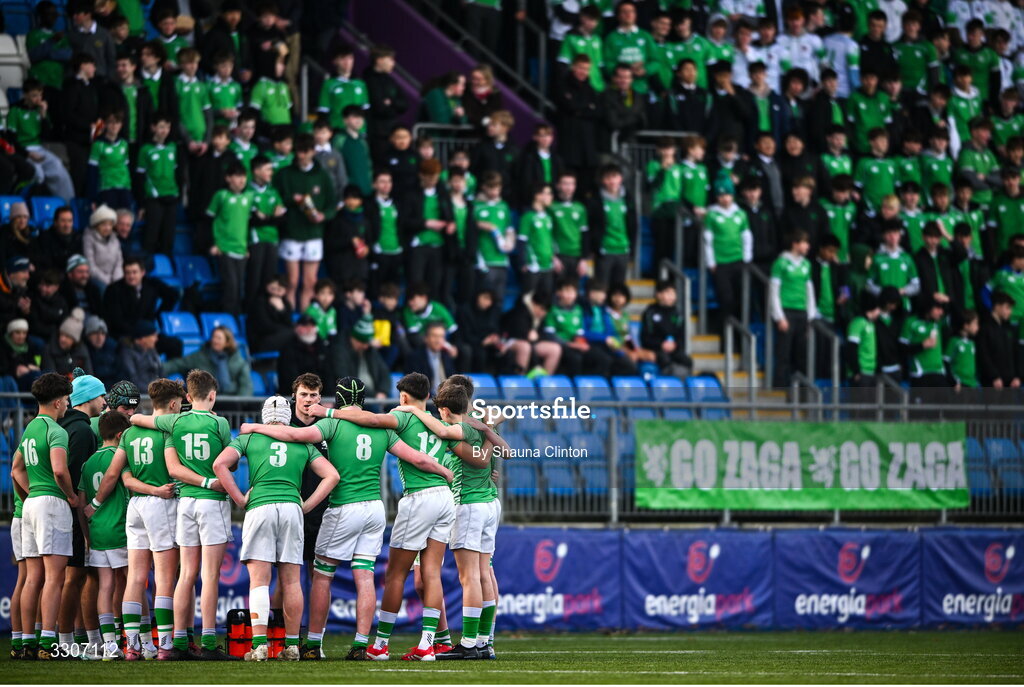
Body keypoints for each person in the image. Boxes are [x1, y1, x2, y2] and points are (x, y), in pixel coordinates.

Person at [238, 377, 449, 660]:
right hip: (374, 508)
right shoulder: (382, 427)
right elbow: (418, 459)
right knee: (365, 576)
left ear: (337, 398)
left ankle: (314, 645)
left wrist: (255, 427)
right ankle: (361, 644)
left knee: (322, 575)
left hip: (343, 507)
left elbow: (294, 436)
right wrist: (444, 472)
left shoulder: (332, 424)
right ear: (363, 399)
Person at [316, 372, 497, 662]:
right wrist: (489, 447)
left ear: (403, 397)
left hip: (418, 499)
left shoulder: (401, 416)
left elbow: (369, 420)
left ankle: (380, 645)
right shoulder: (440, 424)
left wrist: (327, 412)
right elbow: (476, 458)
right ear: (429, 398)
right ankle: (429, 645)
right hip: (445, 498)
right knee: (432, 573)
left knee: (396, 574)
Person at [213, 395, 338, 662]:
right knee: (291, 581)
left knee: (259, 580)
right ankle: (291, 646)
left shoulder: (249, 438)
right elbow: (332, 475)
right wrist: (306, 505)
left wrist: (239, 499)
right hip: (291, 508)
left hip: (260, 506)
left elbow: (219, 464)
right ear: (287, 415)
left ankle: (260, 646)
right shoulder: (301, 442)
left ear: (263, 415)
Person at [129, 370, 236, 661]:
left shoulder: (175, 421)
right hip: (212, 501)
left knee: (185, 573)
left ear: (188, 396)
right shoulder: (220, 423)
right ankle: (209, 643)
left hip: (186, 502)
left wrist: (138, 418)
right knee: (209, 575)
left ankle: (177, 642)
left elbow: (138, 420)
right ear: (212, 395)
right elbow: (229, 464)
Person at [11, 373, 76, 659]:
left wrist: (30, 495)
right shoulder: (56, 430)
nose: (67, 405)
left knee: (32, 578)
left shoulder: (30, 428)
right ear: (58, 401)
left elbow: (16, 469)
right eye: (67, 400)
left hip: (31, 505)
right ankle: (48, 642)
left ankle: (26, 641)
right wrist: (71, 496)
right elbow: (60, 470)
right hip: (51, 503)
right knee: (54, 577)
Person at [77, 410, 132, 660]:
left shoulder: (88, 463)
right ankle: (138, 640)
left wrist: (87, 535)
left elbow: (81, 503)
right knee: (133, 582)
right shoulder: (120, 457)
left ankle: (109, 644)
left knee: (105, 587)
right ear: (120, 435)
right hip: (120, 530)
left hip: (97, 533)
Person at [274, 133, 337, 311]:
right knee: (292, 281)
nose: (301, 155)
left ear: (313, 152)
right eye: (299, 151)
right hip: (292, 231)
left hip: (314, 232)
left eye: (305, 151)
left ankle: (306, 318)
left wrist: (323, 215)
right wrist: (292, 199)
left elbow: (331, 204)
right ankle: (289, 317)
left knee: (310, 282)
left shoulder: (322, 176)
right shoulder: (284, 174)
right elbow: (276, 199)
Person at [705, 173, 752, 333]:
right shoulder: (712, 215)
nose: (725, 199)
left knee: (741, 298)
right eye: (721, 195)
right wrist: (711, 262)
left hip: (738, 260)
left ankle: (738, 333)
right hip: (721, 263)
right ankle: (725, 332)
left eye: (727, 195)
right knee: (726, 299)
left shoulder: (740, 213)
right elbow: (708, 240)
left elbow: (746, 237)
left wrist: (747, 258)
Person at [770, 231, 816, 387]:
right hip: (787, 311)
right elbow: (774, 291)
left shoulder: (806, 264)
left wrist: (810, 316)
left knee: (801, 353)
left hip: (802, 312)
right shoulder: (780, 263)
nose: (808, 246)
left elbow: (809, 291)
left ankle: (801, 388)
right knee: (784, 353)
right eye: (804, 242)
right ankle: (780, 386)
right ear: (795, 244)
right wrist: (779, 317)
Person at [101, 257, 179, 342]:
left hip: (147, 332)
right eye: (127, 273)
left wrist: (157, 315)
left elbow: (173, 296)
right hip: (124, 334)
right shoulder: (113, 290)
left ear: (142, 272)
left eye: (134, 272)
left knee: (174, 343)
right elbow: (116, 320)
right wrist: (137, 334)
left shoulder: (152, 284)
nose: (131, 276)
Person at [136, 111, 182, 256]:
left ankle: (166, 265)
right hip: (154, 198)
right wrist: (142, 203)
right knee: (151, 235)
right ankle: (147, 265)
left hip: (171, 196)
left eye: (168, 127)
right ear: (153, 127)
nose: (165, 131)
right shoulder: (146, 149)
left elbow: (177, 173)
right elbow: (140, 177)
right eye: (161, 127)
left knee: (168, 237)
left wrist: (178, 193)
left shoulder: (172, 147)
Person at [164, 326, 254, 398]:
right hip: (205, 402)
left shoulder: (238, 361)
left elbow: (246, 385)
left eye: (219, 338)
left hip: (233, 403)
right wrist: (159, 369)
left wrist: (239, 402)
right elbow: (178, 364)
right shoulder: (200, 356)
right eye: (214, 337)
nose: (215, 341)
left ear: (227, 342)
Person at [588, 164, 636, 288]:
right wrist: (595, 247)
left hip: (623, 249)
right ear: (602, 180)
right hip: (604, 251)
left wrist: (632, 247)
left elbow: (633, 225)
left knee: (618, 290)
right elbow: (592, 226)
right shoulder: (596, 200)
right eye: (608, 178)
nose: (612, 181)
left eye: (614, 177)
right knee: (601, 288)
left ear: (621, 178)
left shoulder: (628, 199)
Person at [364, 44, 408, 163]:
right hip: (376, 134)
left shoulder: (390, 80)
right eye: (390, 59)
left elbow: (405, 104)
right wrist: (393, 105)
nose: (393, 63)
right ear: (379, 60)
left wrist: (391, 102)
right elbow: (379, 107)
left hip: (390, 132)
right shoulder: (368, 80)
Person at [639, 280, 692, 377]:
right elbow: (645, 338)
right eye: (667, 292)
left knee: (687, 361)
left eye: (672, 293)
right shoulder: (650, 313)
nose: (670, 296)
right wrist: (661, 344)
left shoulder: (678, 315)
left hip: (673, 349)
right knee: (665, 359)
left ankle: (683, 382)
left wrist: (674, 345)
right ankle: (667, 384)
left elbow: (681, 337)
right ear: (658, 294)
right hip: (656, 349)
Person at [276, 315, 336, 395]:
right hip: (295, 396)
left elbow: (329, 376)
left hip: (321, 396)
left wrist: (328, 397)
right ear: (296, 329)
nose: (309, 329)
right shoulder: (288, 350)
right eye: (305, 326)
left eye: (311, 326)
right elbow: (290, 379)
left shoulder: (323, 348)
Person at [334, 316, 391, 399]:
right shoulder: (340, 352)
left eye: (367, 343)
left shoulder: (370, 351)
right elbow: (346, 381)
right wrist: (374, 395)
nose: (366, 346)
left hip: (376, 395)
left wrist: (383, 391)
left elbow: (384, 372)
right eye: (363, 343)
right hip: (354, 397)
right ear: (354, 339)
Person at [975, 291, 1019, 388]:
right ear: (997, 306)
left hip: (1011, 383)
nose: (1010, 312)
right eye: (1007, 307)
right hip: (992, 383)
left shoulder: (1009, 329)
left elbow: (1015, 353)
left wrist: (1018, 376)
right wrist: (994, 376)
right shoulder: (984, 328)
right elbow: (983, 354)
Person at [406, 321, 458, 394]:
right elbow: (412, 387)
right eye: (434, 336)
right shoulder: (414, 357)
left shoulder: (446, 356)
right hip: (425, 398)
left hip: (447, 398)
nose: (438, 340)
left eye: (441, 336)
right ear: (426, 338)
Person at [30, 207, 81, 275]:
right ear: (55, 222)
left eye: (70, 221)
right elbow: (44, 265)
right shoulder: (44, 239)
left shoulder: (78, 238)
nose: (67, 225)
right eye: (63, 221)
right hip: (53, 277)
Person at [846, 292, 882, 387]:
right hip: (861, 373)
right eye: (878, 308)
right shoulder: (858, 323)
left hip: (871, 371)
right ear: (872, 308)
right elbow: (851, 348)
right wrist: (856, 371)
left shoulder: (871, 324)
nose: (879, 312)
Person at [83, 206, 123, 289]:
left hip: (114, 279)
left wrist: (116, 280)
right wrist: (108, 281)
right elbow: (90, 266)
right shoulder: (88, 239)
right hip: (96, 279)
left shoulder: (115, 239)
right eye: (104, 224)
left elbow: (119, 263)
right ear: (96, 225)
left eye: (110, 224)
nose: (107, 228)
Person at [1, 318, 42, 391]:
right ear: (11, 333)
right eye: (17, 333)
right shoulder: (3, 347)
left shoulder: (30, 346)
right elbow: (3, 368)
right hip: (11, 380)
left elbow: (35, 364)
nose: (21, 336)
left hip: (28, 378)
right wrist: (15, 371)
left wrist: (30, 367)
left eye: (24, 333)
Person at [122, 321, 163, 392]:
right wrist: (154, 391)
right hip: (142, 395)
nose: (156, 339)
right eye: (153, 336)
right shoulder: (127, 354)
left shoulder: (152, 351)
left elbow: (161, 372)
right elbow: (133, 380)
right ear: (143, 338)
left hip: (155, 392)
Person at [945, 310, 980, 391]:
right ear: (966, 326)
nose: (977, 327)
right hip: (959, 384)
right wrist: (953, 382)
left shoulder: (972, 343)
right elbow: (946, 362)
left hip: (972, 384)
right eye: (975, 323)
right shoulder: (954, 341)